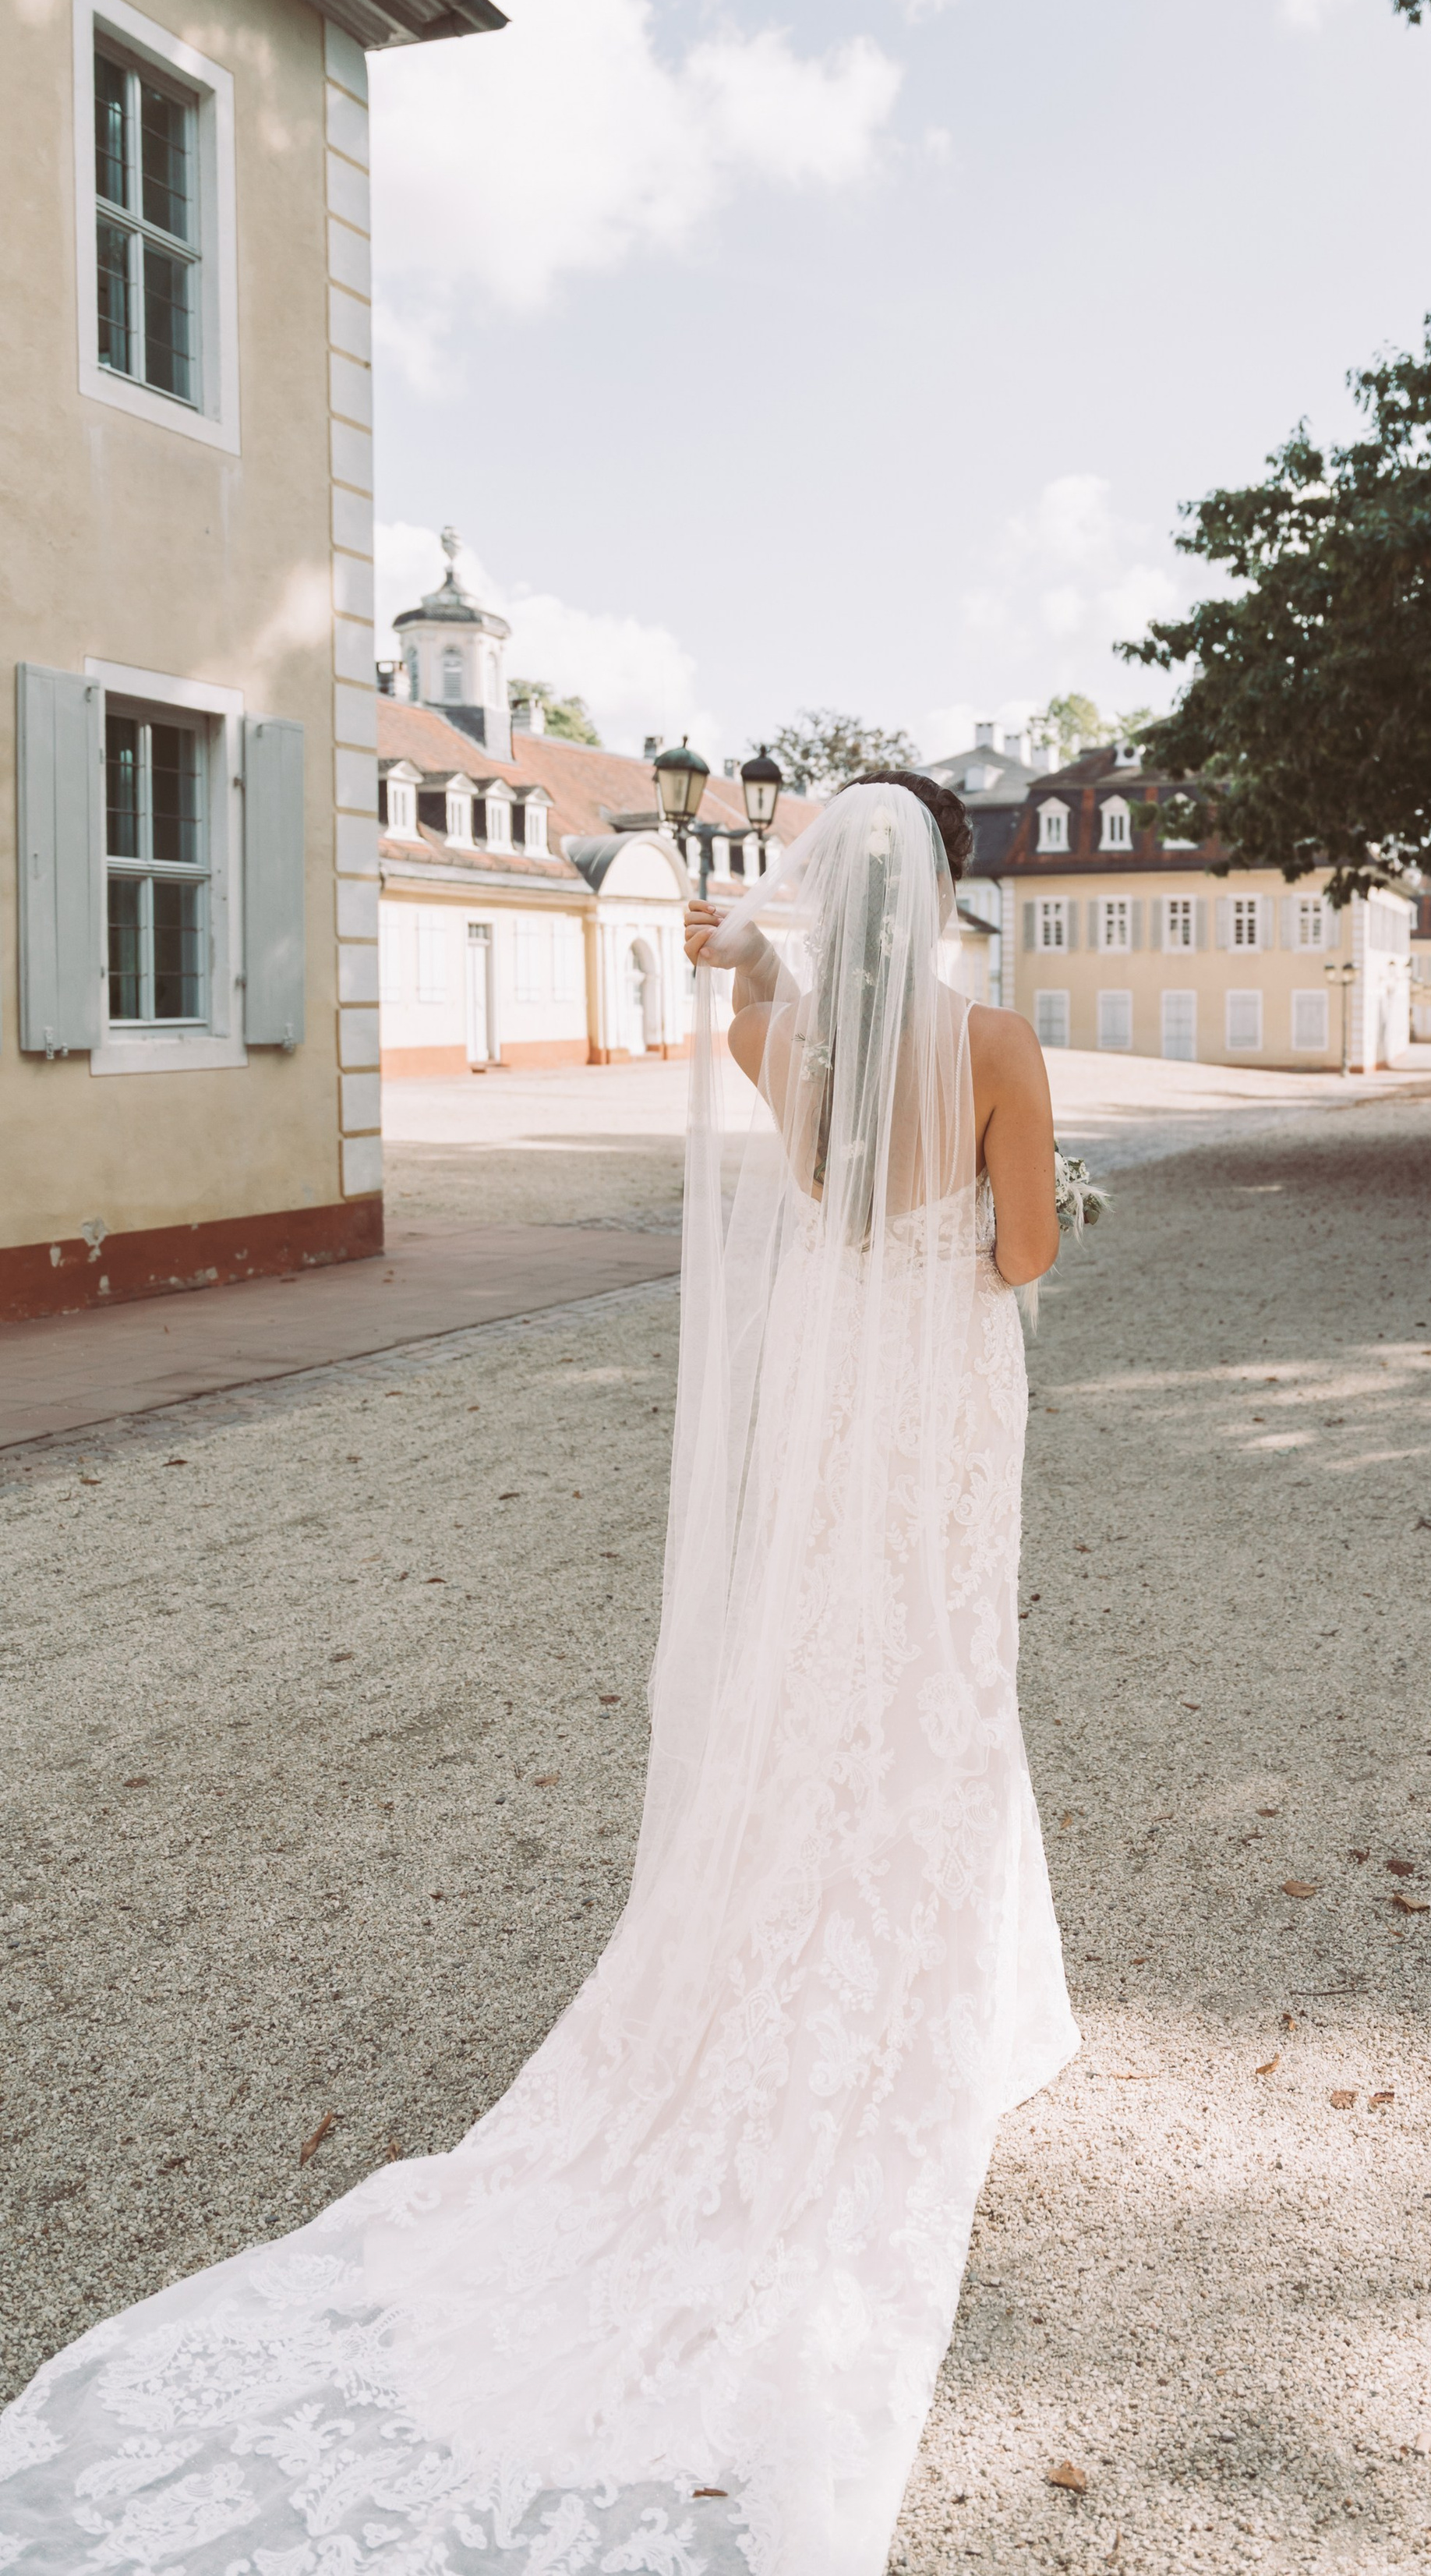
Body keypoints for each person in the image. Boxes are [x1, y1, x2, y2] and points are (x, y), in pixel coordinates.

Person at [0, 776, 1076, 2576]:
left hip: (832, 1414)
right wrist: (1038, 1210)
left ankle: (809, 1946)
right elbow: (1024, 1246)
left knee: (818, 1669)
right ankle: (943, 1984)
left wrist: (749, 982)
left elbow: (814, 1178)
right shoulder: (996, 1043)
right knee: (940, 1668)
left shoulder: (776, 1032)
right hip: (941, 1408)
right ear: (947, 889)